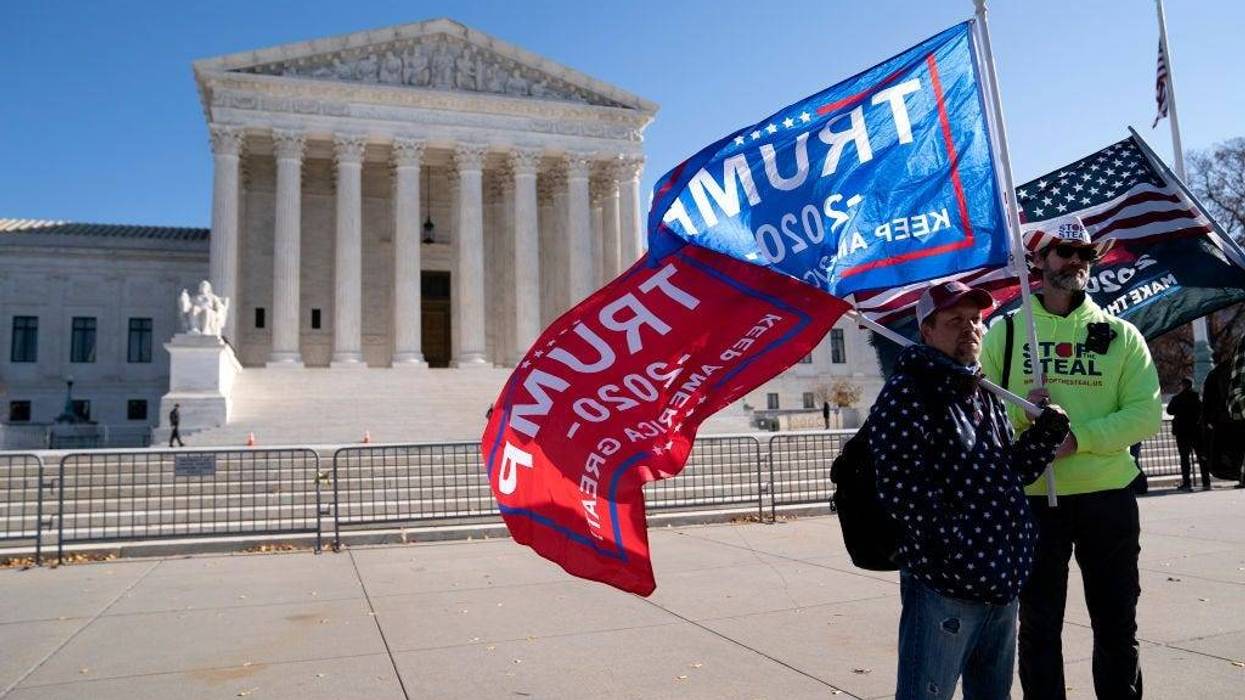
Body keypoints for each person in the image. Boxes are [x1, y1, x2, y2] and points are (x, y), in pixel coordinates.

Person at [981, 215, 1161, 699]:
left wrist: (1075, 439)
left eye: (1084, 254)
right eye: (1065, 251)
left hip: (1108, 496)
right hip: (1036, 499)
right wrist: (1027, 422)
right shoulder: (1006, 332)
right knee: (1039, 627)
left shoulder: (1121, 334)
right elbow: (983, 404)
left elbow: (1145, 413)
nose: (1077, 261)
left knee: (1117, 623)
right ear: (1039, 261)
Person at [870, 280, 1070, 699]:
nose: (971, 329)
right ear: (927, 330)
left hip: (1001, 580)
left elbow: (1008, 474)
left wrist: (1044, 437)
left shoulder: (981, 391)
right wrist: (955, 549)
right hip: (947, 587)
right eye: (955, 320)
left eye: (977, 320)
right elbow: (900, 487)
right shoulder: (909, 391)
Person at [1166, 377, 1206, 491]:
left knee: (1184, 459)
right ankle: (1205, 481)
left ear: (1182, 385)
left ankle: (1187, 482)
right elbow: (1202, 410)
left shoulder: (1177, 398)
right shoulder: (1196, 398)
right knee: (1201, 457)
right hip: (1196, 431)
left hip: (1182, 432)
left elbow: (1169, 411)